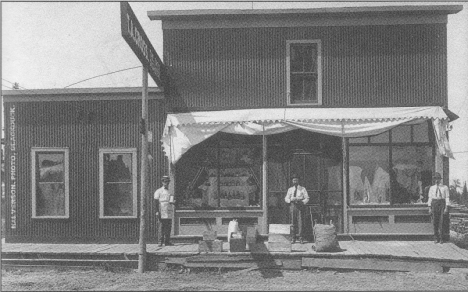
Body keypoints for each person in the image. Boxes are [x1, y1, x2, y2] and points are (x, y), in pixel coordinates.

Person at [285, 175, 309, 244]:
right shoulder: (290, 189)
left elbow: (307, 198)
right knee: (293, 222)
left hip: (300, 206)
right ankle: (293, 238)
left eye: (296, 180)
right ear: (292, 181)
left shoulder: (302, 189)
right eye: (293, 180)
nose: (295, 181)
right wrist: (290, 200)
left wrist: (302, 202)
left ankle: (301, 238)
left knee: (300, 222)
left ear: (298, 181)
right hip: (293, 206)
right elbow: (286, 198)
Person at [427, 172, 450, 244]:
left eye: (438, 179)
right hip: (434, 203)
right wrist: (429, 208)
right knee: (435, 221)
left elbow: (447, 198)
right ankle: (436, 238)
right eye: (435, 179)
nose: (437, 180)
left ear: (440, 180)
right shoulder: (432, 188)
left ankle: (442, 238)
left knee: (442, 221)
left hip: (442, 203)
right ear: (434, 180)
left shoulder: (445, 187)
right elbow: (430, 198)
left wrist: (446, 207)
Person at [154, 175, 176, 247]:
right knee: (161, 226)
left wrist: (173, 202)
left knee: (168, 226)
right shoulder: (159, 191)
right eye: (164, 181)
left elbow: (171, 200)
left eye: (167, 181)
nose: (166, 183)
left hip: (168, 209)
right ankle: (160, 242)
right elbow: (156, 202)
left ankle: (167, 241)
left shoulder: (170, 191)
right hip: (161, 209)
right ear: (162, 182)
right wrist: (157, 211)